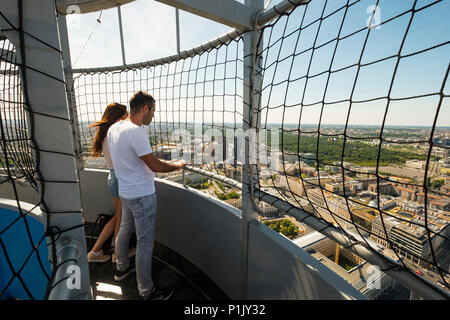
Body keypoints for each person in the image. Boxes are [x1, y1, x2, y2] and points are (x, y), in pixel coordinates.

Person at [107, 91, 186, 300]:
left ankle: (121, 268)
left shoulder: (115, 128)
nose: (153, 116)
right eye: (153, 111)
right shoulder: (136, 131)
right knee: (144, 244)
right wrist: (178, 165)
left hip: (125, 192)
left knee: (124, 230)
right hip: (142, 195)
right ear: (145, 108)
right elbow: (155, 165)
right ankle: (146, 291)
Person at [87, 103, 130, 263]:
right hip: (120, 179)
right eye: (125, 116)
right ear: (118, 118)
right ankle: (117, 255)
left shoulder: (104, 134)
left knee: (119, 216)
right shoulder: (116, 135)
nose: (127, 119)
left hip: (113, 178)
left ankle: (97, 251)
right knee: (121, 218)